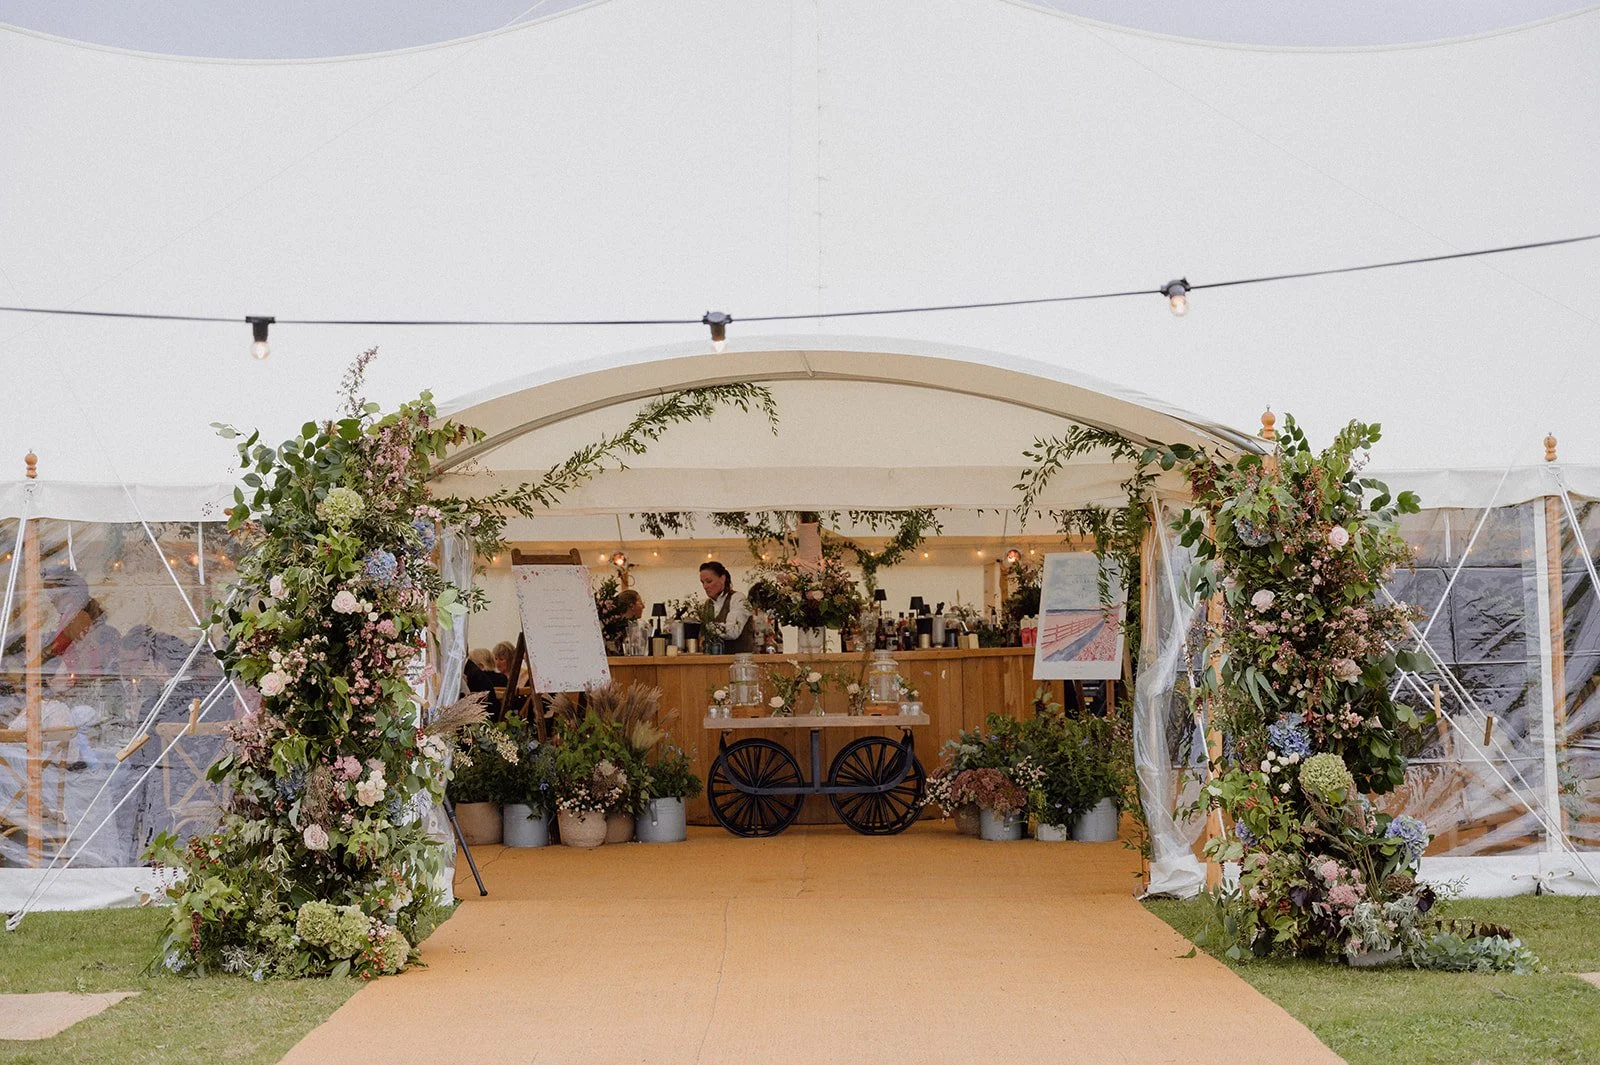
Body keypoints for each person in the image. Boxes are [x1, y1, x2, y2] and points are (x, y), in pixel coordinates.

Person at [698, 561, 755, 653]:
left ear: (722, 579)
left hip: (740, 661)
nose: (705, 586)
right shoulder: (707, 605)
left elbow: (732, 632)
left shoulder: (738, 599)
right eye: (702, 582)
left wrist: (709, 626)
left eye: (709, 581)